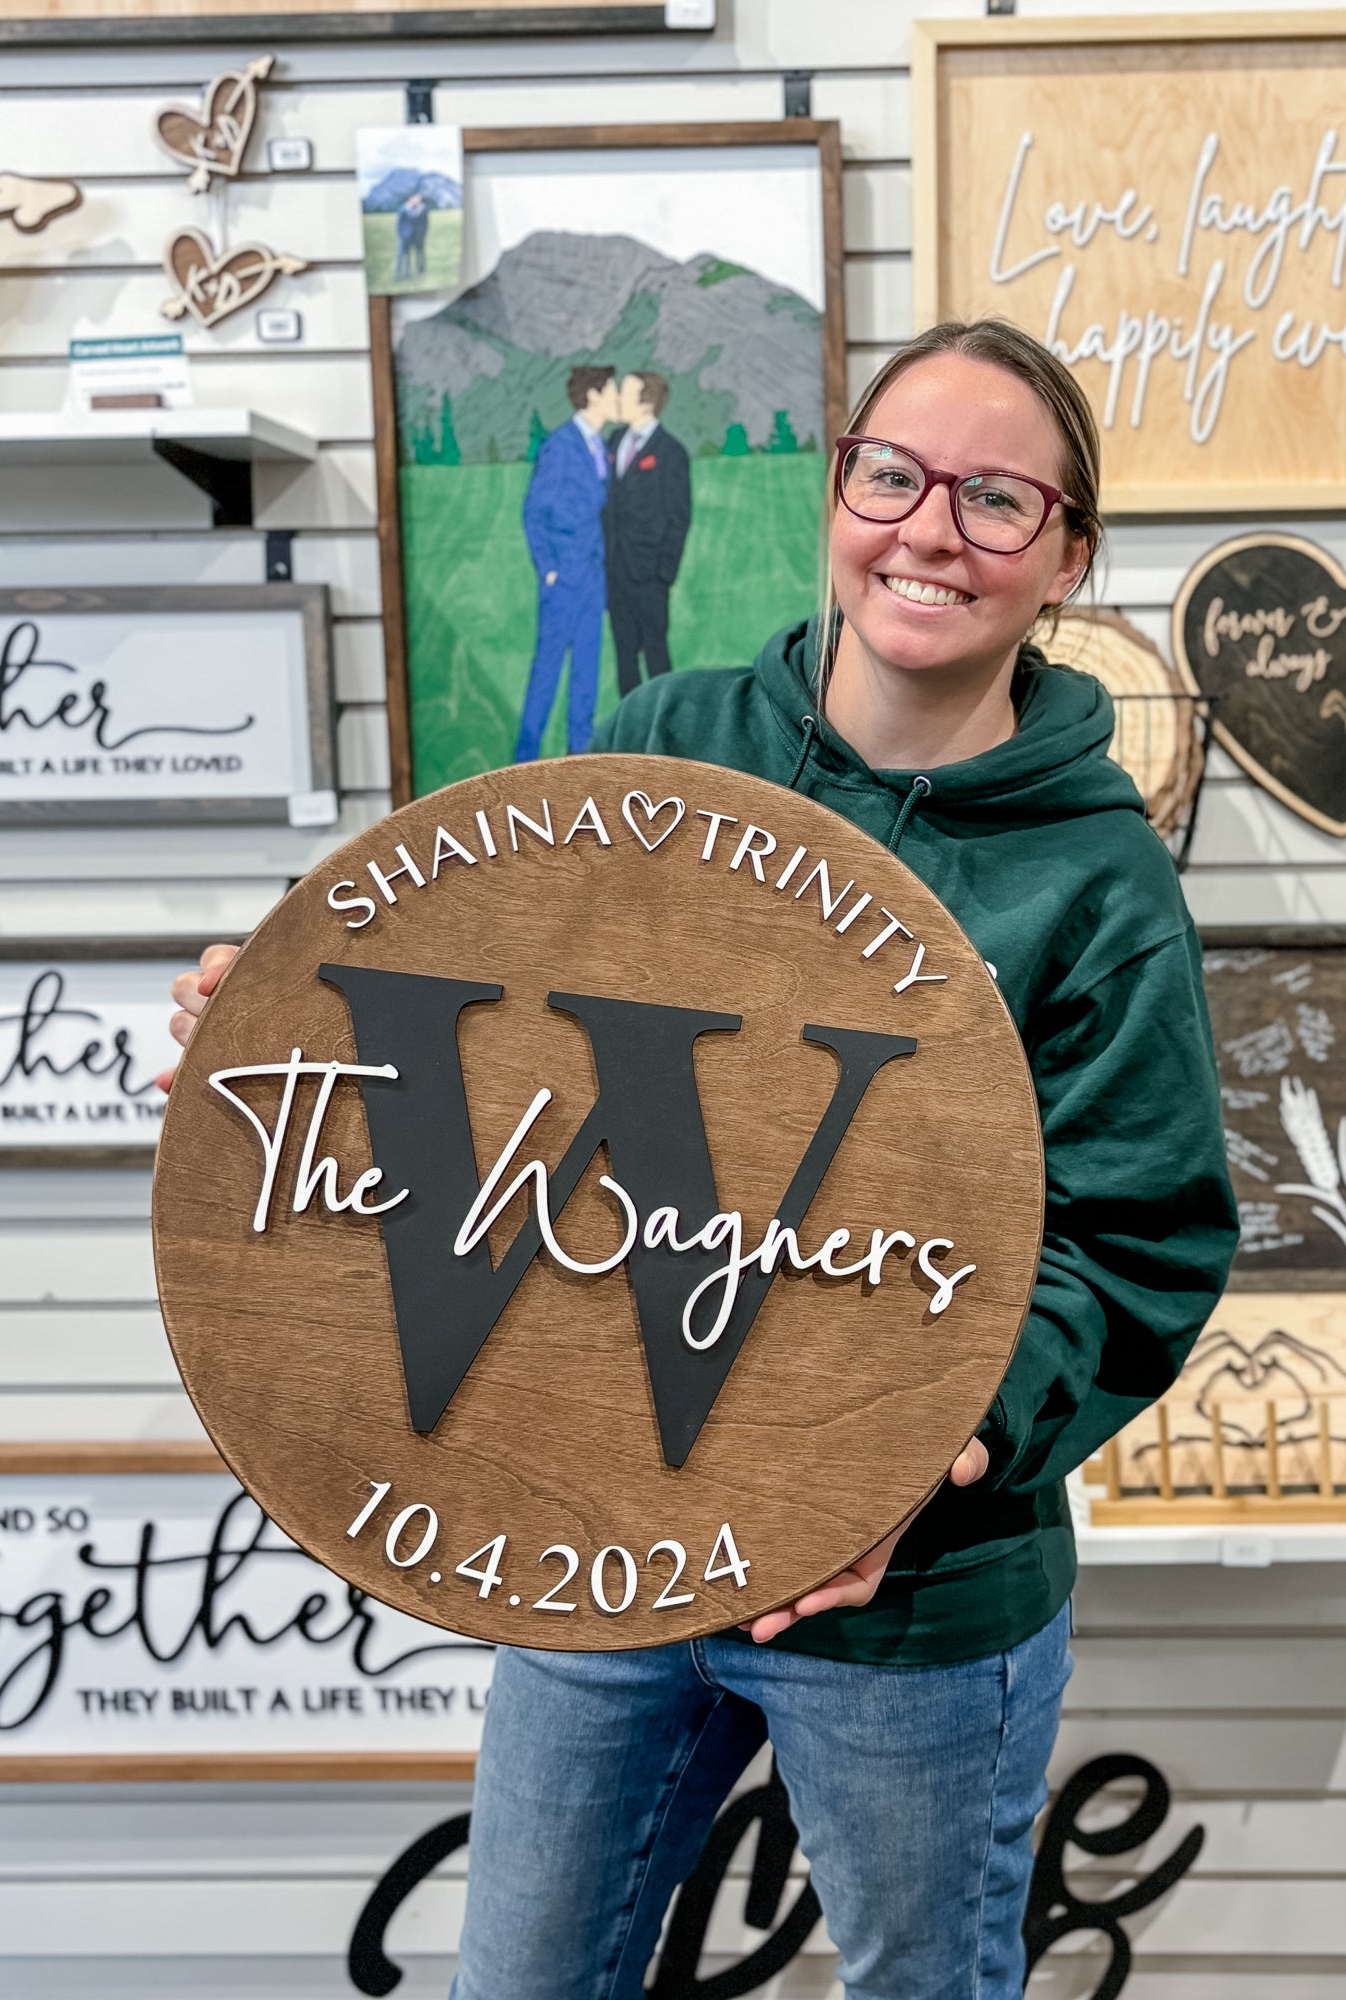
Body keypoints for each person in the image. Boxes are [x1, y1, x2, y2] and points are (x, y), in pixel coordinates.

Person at [163, 317, 1238, 2000]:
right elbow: (496, 1012)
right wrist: (301, 1032)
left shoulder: (1096, 877)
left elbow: (1141, 1241)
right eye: (893, 473)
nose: (929, 528)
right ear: (836, 491)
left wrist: (934, 1447)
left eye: (995, 499)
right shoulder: (670, 737)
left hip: (905, 1597)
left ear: (1066, 558)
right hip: (605, 1540)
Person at [516, 364, 618, 760]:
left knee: (586, 678)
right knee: (547, 673)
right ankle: (524, 759)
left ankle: (579, 763)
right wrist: (549, 569)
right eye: (609, 390)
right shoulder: (560, 446)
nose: (614, 399)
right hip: (564, 584)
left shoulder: (599, 446)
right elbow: (534, 512)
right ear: (592, 395)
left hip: (593, 579)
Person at [604, 368, 693, 694]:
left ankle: (660, 727)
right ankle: (629, 734)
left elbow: (679, 517)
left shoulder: (671, 452)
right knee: (624, 655)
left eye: (625, 393)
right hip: (616, 571)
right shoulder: (614, 441)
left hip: (650, 575)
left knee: (655, 652)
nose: (618, 399)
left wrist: (663, 573)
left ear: (645, 402)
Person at [393, 188, 429, 281]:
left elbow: (425, 223)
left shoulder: (421, 208)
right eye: (417, 198)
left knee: (419, 254)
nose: (419, 199)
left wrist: (422, 234)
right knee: (402, 255)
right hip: (405, 236)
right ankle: (399, 273)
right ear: (411, 198)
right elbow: (400, 224)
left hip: (417, 236)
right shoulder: (404, 209)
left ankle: (417, 272)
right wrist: (402, 235)